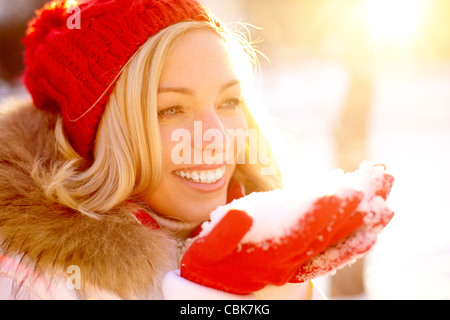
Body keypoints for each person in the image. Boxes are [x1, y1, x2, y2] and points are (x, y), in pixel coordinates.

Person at [0, 0, 393, 300]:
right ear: (101, 132)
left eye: (228, 102)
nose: (217, 137)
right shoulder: (29, 280)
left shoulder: (265, 241)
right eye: (171, 109)